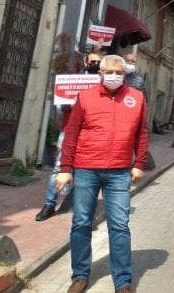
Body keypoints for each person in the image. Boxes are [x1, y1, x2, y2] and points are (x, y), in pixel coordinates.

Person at [56, 54, 148, 293]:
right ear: (101, 73)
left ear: (125, 74)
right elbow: (72, 133)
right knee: (81, 223)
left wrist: (139, 163)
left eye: (120, 73)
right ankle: (80, 276)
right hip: (86, 168)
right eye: (110, 72)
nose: (115, 76)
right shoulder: (86, 97)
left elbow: (142, 133)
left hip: (119, 172)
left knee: (119, 225)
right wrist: (65, 169)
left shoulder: (136, 98)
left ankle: (123, 282)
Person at [34, 52, 101, 221]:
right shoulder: (72, 81)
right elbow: (59, 107)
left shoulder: (103, 85)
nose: (96, 64)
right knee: (59, 167)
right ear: (86, 62)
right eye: (93, 61)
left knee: (88, 169)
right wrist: (70, 105)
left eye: (99, 62)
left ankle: (83, 208)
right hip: (69, 130)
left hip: (92, 132)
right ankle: (50, 204)